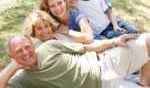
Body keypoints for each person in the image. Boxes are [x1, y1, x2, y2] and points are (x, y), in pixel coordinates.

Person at [1, 33, 150, 88]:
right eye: (18, 51)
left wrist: (113, 42)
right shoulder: (25, 79)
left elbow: (86, 48)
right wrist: (14, 66)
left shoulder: (49, 46)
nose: (25, 52)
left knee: (147, 40)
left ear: (33, 45)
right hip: (104, 85)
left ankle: (143, 83)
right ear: (12, 56)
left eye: (27, 47)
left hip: (105, 60)